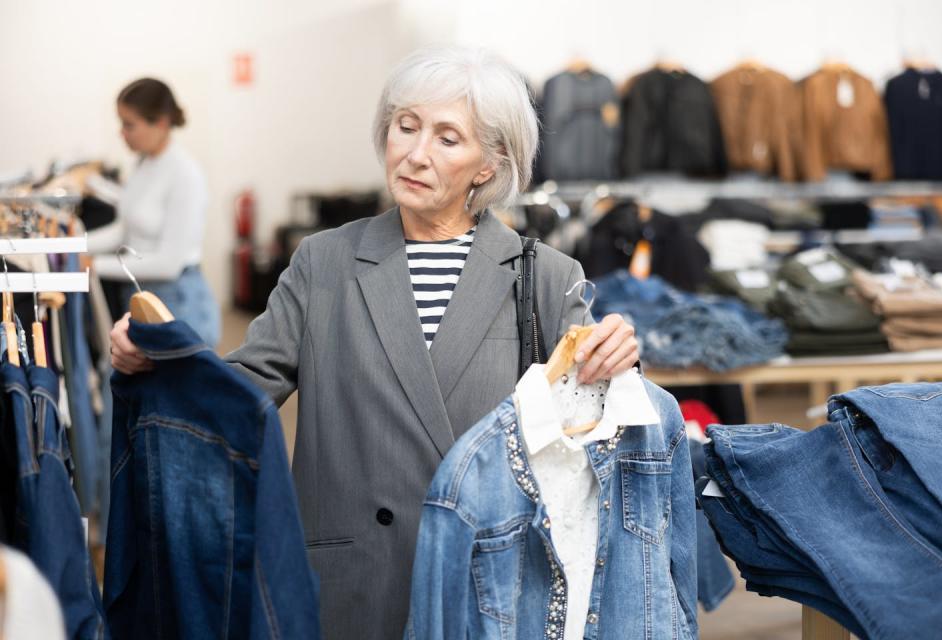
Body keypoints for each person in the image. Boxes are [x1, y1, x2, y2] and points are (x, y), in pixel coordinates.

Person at [109, 47, 639, 638]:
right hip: (352, 577)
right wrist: (157, 362)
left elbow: (599, 429)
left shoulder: (544, 276)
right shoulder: (324, 261)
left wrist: (617, 361)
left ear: (488, 165)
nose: (414, 153)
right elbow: (242, 388)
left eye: (447, 138)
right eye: (405, 127)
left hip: (486, 581)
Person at [91, 77, 220, 348]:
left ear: (160, 123)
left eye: (129, 124)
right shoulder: (143, 164)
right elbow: (123, 230)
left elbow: (168, 264)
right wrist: (73, 247)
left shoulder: (184, 174)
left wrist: (93, 266)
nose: (122, 133)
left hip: (177, 304)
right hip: (141, 295)